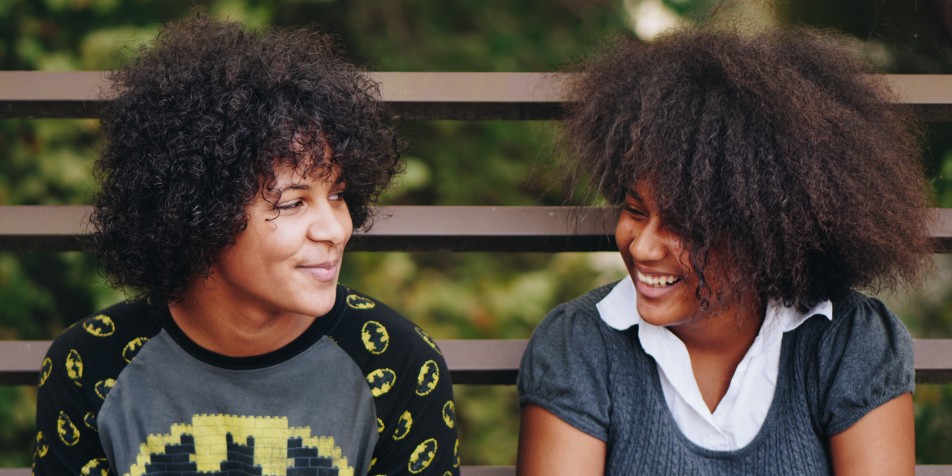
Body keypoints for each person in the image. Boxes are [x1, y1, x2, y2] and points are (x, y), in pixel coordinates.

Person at [33, 15, 458, 476]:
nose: (335, 229)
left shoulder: (396, 363)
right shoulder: (92, 365)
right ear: (199, 211)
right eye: (294, 203)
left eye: (337, 195)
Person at [517, 26, 931, 475]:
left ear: (764, 231)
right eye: (635, 211)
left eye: (683, 225)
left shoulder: (847, 342)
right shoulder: (581, 344)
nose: (643, 245)